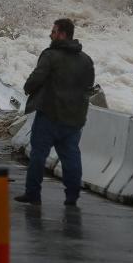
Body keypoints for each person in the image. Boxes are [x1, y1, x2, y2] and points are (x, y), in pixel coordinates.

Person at [16, 18, 95, 207]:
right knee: (71, 158)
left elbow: (37, 78)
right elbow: (89, 86)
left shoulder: (50, 56)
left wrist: (27, 88)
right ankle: (72, 197)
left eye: (53, 32)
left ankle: (33, 194)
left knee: (38, 155)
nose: (50, 35)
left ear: (62, 35)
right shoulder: (86, 60)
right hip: (74, 118)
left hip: (49, 116)